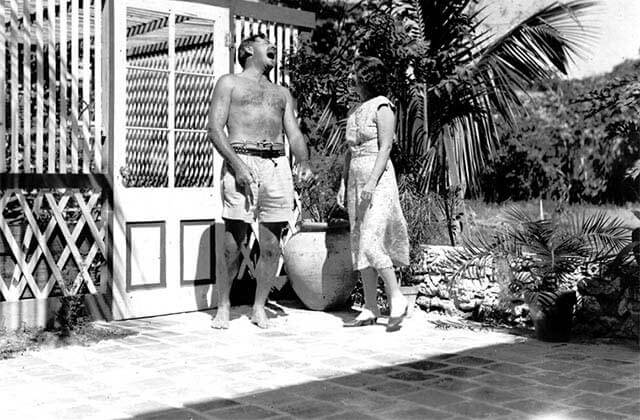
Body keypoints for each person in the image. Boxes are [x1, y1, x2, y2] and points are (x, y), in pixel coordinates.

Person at [207, 33, 312, 329]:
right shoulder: (229, 83)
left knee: (271, 244)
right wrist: (236, 165)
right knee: (233, 239)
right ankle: (224, 305)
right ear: (248, 50)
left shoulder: (281, 93)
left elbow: (293, 134)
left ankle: (258, 307)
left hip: (277, 165)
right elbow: (215, 129)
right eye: (266, 42)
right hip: (241, 159)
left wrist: (303, 162)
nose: (272, 47)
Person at [337, 56, 410, 332]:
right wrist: (344, 184)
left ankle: (396, 297)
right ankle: (370, 306)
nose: (350, 77)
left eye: (354, 72)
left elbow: (385, 148)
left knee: (371, 240)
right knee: (358, 241)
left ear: (365, 77)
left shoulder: (383, 106)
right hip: (356, 178)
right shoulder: (356, 110)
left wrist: (370, 183)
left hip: (377, 180)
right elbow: (349, 152)